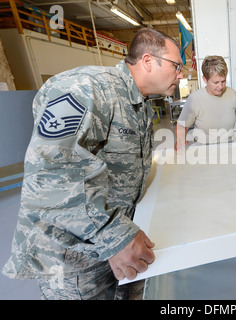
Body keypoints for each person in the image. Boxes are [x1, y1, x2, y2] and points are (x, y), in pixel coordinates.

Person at [2, 28, 184, 300]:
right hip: (76, 256)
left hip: (111, 246)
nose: (180, 74)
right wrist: (116, 236)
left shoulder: (140, 104)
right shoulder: (87, 87)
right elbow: (52, 172)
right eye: (176, 65)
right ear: (148, 61)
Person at [175, 55, 236, 150]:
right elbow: (182, 126)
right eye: (216, 83)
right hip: (204, 150)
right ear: (205, 79)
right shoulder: (194, 99)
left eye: (223, 81)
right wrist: (180, 140)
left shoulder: (231, 94)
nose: (221, 86)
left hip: (229, 148)